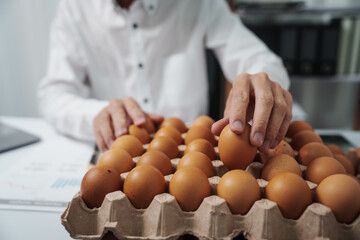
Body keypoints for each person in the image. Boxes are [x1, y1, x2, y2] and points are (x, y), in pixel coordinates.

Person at [38, 0, 292, 153]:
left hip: (192, 152)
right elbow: (54, 94)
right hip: (116, 154)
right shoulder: (75, 8)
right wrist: (98, 114)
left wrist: (263, 83)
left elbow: (262, 60)